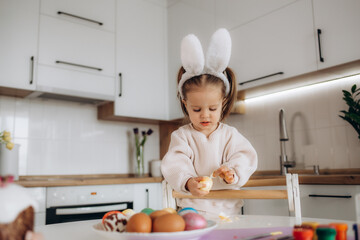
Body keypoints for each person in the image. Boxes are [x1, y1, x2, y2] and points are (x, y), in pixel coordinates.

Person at [161, 28, 258, 218]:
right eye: (196, 109)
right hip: (192, 211)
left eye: (212, 109)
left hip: (230, 212)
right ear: (185, 104)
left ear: (223, 103)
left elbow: (245, 157)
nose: (205, 115)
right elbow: (175, 164)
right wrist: (188, 182)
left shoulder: (230, 135)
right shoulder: (181, 136)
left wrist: (232, 172)